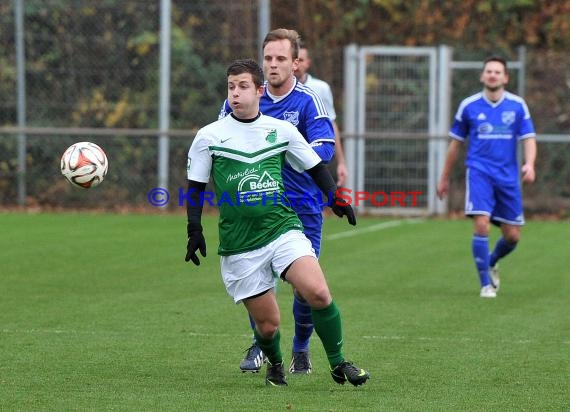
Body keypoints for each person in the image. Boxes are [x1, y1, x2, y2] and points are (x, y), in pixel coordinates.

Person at [184, 58, 370, 387]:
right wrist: (194, 230)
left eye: (243, 87)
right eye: (231, 87)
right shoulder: (209, 136)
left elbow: (314, 166)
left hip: (283, 228)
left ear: (258, 91)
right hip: (240, 243)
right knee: (269, 326)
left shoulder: (280, 130)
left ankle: (339, 363)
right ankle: (276, 363)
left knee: (318, 292)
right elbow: (196, 187)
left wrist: (335, 198)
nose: (236, 94)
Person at [219, 29, 336, 374]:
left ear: (296, 63)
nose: (273, 64)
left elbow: (325, 146)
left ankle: (301, 348)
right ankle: (261, 345)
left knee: (305, 289)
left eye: (281, 58)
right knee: (258, 283)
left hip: (302, 205)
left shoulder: (306, 101)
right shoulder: (242, 98)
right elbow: (220, 143)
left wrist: (288, 152)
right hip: (255, 205)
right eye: (268, 58)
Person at [437, 55, 537, 298]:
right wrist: (444, 177)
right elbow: (455, 144)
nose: (492, 75)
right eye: (489, 71)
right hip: (479, 172)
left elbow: (529, 138)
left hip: (508, 177)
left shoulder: (517, 105)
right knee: (481, 222)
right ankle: (485, 284)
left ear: (505, 77)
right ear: (482, 76)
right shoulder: (469, 106)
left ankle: (491, 261)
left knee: (512, 236)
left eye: (497, 72)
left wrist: (530, 164)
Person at [294, 41, 348, 187]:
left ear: (308, 63)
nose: (297, 64)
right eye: (294, 59)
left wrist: (341, 162)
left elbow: (330, 124)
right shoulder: (273, 92)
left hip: (312, 162)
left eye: (301, 60)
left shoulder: (320, 88)